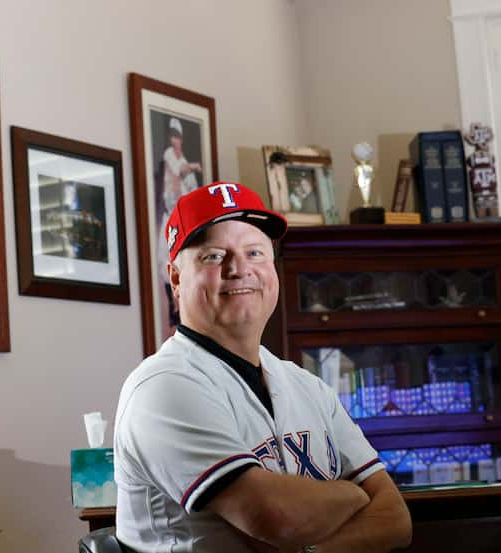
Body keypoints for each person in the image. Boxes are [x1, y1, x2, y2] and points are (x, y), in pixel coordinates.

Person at [114, 182, 412, 553]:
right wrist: (353, 494)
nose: (238, 269)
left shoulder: (306, 385)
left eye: (255, 253)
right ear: (176, 278)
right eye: (213, 256)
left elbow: (394, 519)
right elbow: (274, 516)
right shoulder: (162, 387)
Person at [157, 117, 203, 329]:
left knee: (185, 266)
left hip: (185, 224)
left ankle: (181, 310)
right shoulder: (170, 156)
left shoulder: (181, 157)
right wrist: (195, 166)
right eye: (172, 136)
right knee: (164, 262)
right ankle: (173, 308)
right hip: (171, 217)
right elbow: (181, 172)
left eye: (177, 136)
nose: (174, 139)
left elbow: (190, 189)